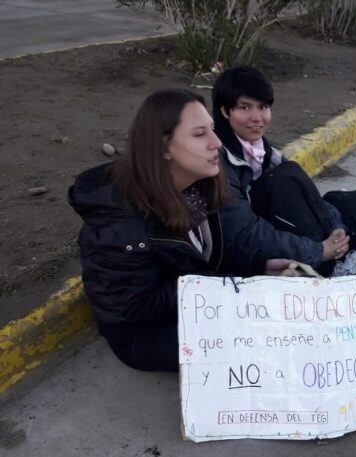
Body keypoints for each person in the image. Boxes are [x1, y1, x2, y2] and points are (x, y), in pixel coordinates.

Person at [69, 89, 298, 372]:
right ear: (164, 147)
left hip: (195, 305)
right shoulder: (121, 226)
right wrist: (227, 291)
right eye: (200, 134)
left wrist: (258, 269)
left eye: (213, 131)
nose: (217, 143)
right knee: (264, 343)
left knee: (286, 317)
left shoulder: (198, 188)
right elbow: (138, 306)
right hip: (144, 335)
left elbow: (206, 259)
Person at [212, 66, 356, 277]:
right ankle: (331, 269)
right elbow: (247, 233)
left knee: (290, 174)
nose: (257, 118)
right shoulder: (218, 160)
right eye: (245, 108)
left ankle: (337, 262)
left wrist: (334, 228)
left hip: (261, 238)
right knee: (281, 181)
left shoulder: (261, 150)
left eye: (263, 107)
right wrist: (319, 250)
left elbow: (308, 195)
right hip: (235, 252)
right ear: (224, 111)